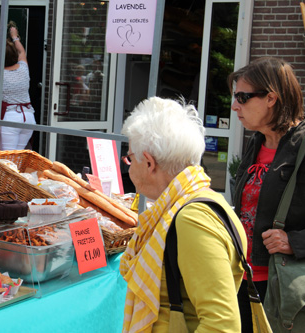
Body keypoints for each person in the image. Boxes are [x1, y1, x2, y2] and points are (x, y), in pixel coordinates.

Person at [119, 97, 247, 332]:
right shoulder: (203, 200)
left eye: (130, 157)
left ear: (149, 162)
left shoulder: (191, 219)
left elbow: (222, 325)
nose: (129, 166)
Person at [227, 57, 305, 332]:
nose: (235, 105)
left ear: (272, 98)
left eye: (243, 97)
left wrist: (295, 241)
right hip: (242, 276)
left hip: (280, 285)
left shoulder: (302, 146)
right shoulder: (256, 142)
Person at [0, 26, 36, 150]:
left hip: (11, 117)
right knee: (18, 158)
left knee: (6, 158)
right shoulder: (23, 68)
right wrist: (14, 36)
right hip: (28, 117)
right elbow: (22, 52)